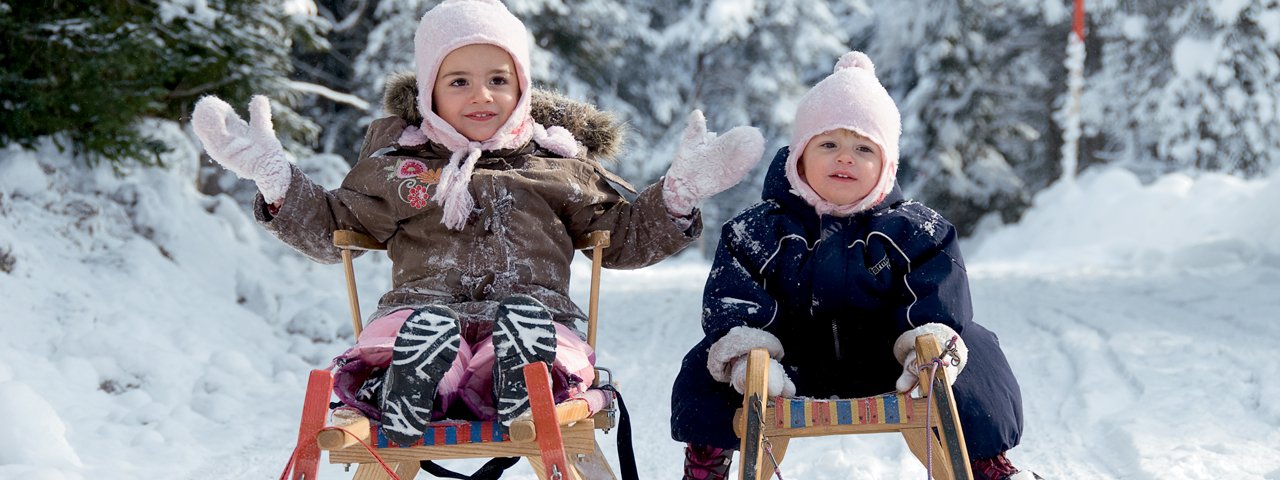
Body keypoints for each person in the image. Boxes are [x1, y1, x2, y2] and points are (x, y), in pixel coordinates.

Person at [191, 0, 764, 448]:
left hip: (534, 313)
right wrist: (275, 177)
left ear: (522, 88)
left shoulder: (557, 165)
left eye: (498, 78)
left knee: (550, 345)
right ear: (428, 93)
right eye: (458, 80)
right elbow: (335, 226)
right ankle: (419, 378)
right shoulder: (399, 168)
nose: (481, 95)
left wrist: (678, 193)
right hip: (423, 310)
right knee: (400, 336)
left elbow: (619, 238)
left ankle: (518, 381)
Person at [669, 51, 1038, 480]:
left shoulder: (916, 230)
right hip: (789, 365)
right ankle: (709, 461)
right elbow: (733, 300)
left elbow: (939, 297)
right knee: (709, 362)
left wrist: (929, 344)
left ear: (886, 165)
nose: (845, 158)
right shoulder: (758, 230)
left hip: (894, 362)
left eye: (863, 148)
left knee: (972, 347)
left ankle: (983, 461)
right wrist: (750, 355)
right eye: (828, 144)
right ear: (799, 158)